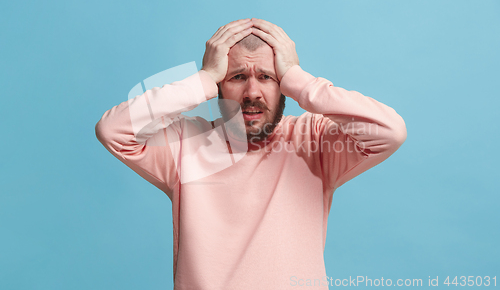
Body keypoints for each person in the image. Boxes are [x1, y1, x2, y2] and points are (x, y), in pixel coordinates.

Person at [95, 18, 407, 289]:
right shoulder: (184, 143)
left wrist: (300, 80)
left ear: (283, 84)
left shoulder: (315, 139)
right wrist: (202, 78)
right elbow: (113, 130)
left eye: (267, 77)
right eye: (238, 77)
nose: (252, 93)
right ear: (219, 85)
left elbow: (389, 132)